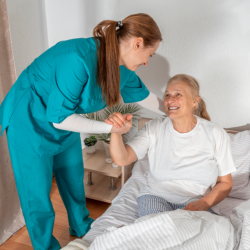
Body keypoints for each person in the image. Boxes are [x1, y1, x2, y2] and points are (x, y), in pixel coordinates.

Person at [0, 13, 165, 250]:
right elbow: (60, 118)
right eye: (150, 54)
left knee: (73, 177)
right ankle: (45, 246)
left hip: (65, 118)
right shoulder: (77, 59)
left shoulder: (123, 68)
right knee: (36, 193)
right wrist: (111, 128)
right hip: (28, 119)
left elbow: (147, 98)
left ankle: (83, 227)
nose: (148, 62)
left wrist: (180, 112)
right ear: (137, 43)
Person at [106, 74, 236, 217]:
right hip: (156, 197)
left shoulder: (215, 133)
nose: (170, 99)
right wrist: (116, 132)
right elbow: (122, 159)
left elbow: (225, 182)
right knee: (157, 231)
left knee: (203, 235)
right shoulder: (154, 128)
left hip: (198, 201)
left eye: (178, 94)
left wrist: (204, 203)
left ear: (195, 101)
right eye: (167, 95)